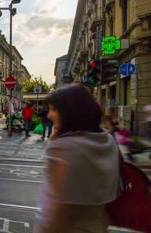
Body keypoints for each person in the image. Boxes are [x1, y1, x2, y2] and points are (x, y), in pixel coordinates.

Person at [35, 84, 119, 233]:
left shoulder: (63, 148)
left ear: (70, 112)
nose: (49, 115)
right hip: (98, 226)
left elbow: (57, 206)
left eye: (53, 110)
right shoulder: (108, 140)